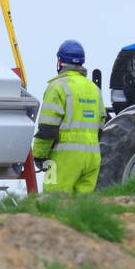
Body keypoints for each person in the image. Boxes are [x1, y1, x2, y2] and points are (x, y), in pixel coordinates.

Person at [32, 39, 105, 193]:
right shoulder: (94, 89)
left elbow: (47, 128)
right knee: (81, 211)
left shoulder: (58, 87)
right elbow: (101, 126)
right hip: (92, 158)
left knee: (54, 203)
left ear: (59, 61)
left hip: (63, 158)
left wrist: (39, 155)